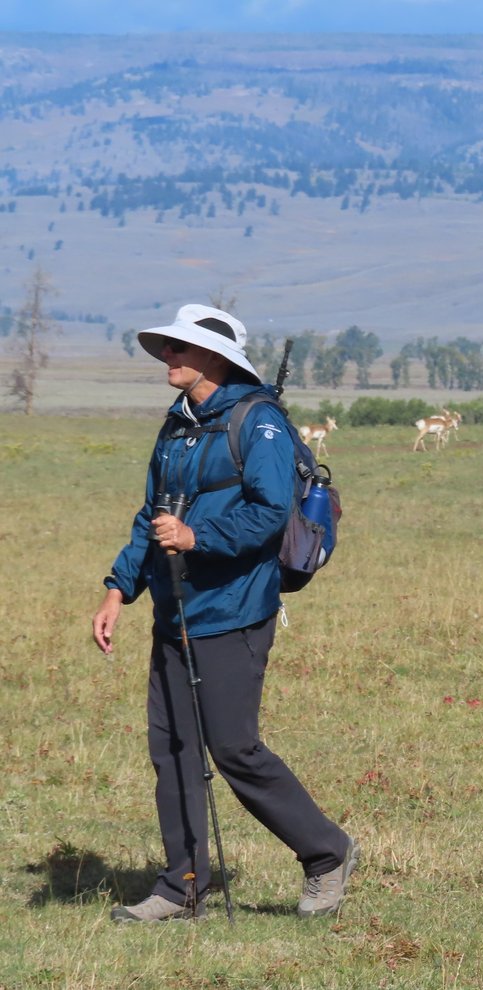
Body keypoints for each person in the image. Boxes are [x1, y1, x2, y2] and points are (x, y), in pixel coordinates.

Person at [91, 304, 358, 923]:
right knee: (174, 750)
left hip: (234, 610)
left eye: (180, 349)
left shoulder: (257, 422)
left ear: (214, 359)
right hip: (173, 610)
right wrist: (116, 589)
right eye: (165, 347)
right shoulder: (177, 422)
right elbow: (150, 515)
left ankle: (326, 853)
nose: (168, 357)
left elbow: (270, 512)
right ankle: (181, 888)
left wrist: (196, 540)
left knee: (234, 748)